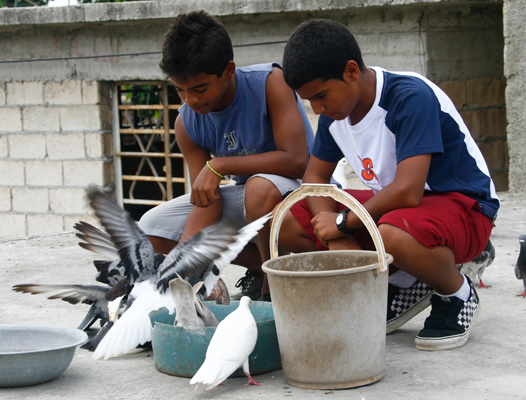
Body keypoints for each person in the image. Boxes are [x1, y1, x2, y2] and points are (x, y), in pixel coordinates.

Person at [278, 19, 499, 351]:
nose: (317, 109)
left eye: (321, 96)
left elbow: (409, 190)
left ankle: (456, 294)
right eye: (309, 101)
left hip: (465, 208)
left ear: (351, 71)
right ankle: (407, 280)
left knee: (393, 231)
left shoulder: (408, 96)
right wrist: (332, 236)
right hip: (402, 211)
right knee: (291, 214)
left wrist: (342, 223)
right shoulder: (334, 116)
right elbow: (314, 179)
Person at [138, 11, 314, 301]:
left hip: (301, 190)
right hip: (252, 199)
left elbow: (297, 160)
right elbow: (207, 200)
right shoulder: (186, 122)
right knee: (150, 229)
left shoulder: (270, 83)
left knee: (257, 190)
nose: (191, 100)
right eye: (180, 90)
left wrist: (220, 164)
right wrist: (183, 260)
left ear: (228, 70)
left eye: (199, 88)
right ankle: (263, 267)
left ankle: (272, 292)